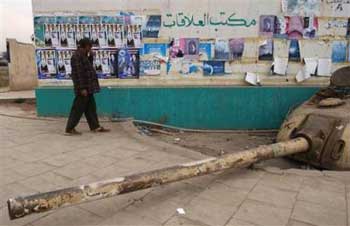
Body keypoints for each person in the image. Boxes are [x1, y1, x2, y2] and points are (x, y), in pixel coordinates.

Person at [65, 38, 110, 135]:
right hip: (83, 89)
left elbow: (87, 67)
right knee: (77, 109)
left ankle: (95, 126)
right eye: (90, 47)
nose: (91, 49)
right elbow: (79, 74)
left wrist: (91, 57)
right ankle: (69, 128)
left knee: (91, 108)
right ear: (86, 46)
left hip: (88, 88)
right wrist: (82, 88)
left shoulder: (83, 55)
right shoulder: (76, 56)